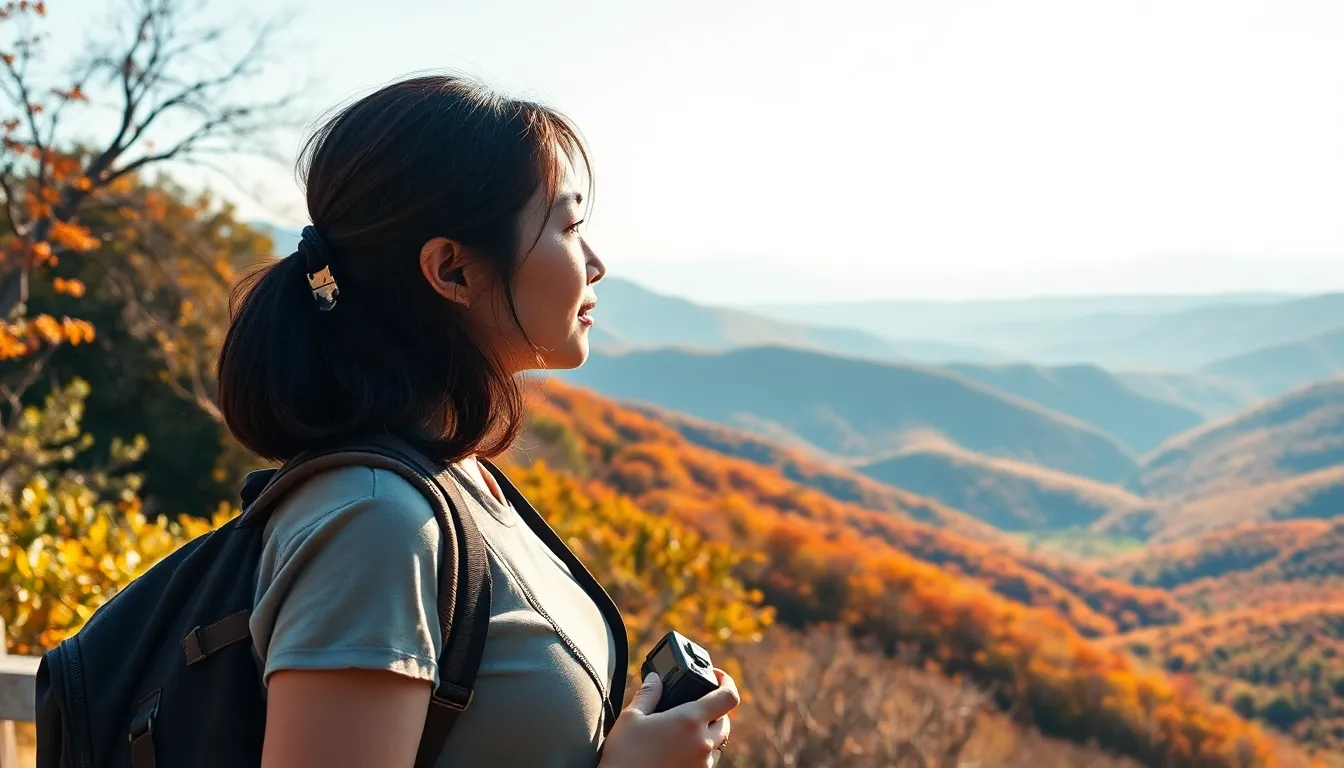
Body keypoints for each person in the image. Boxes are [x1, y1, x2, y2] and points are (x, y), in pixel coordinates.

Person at [215, 74, 739, 768]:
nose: (596, 263)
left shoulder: (457, 485)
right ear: (452, 270)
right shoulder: (375, 525)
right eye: (569, 225)